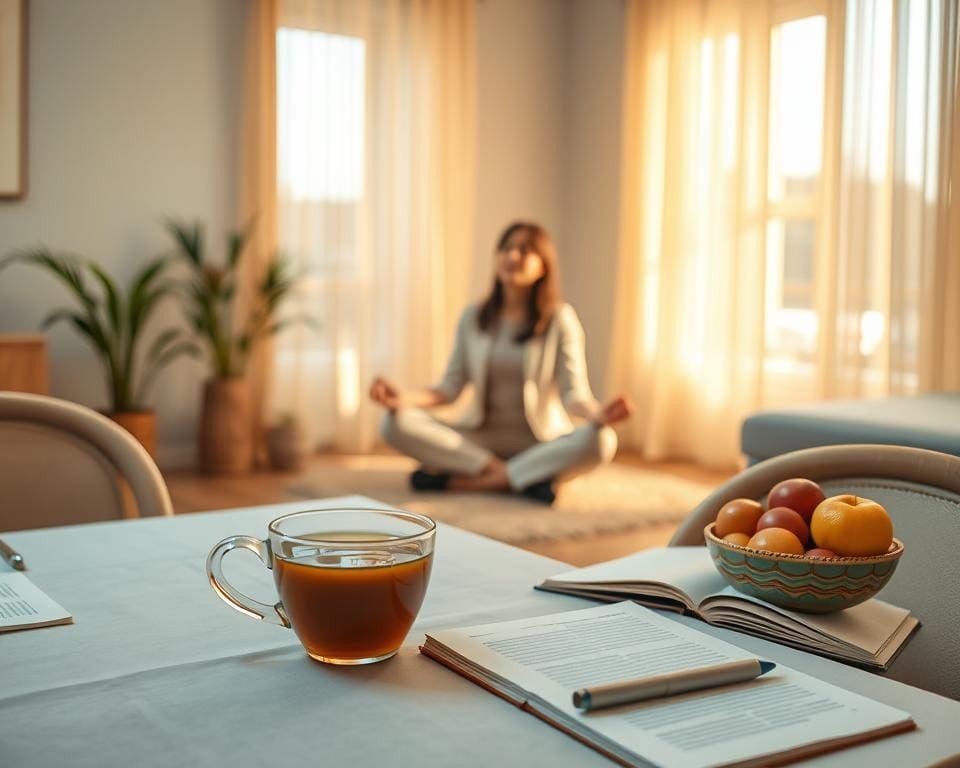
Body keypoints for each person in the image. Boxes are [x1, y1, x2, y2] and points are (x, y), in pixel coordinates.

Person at [370, 221, 634, 504]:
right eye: (506, 248)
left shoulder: (560, 319)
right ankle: (520, 478)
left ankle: (465, 484)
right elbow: (449, 388)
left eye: (525, 250)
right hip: (480, 441)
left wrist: (598, 414)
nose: (512, 257)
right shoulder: (472, 317)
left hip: (539, 442)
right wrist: (403, 398)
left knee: (603, 440)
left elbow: (574, 394)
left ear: (544, 266)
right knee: (393, 423)